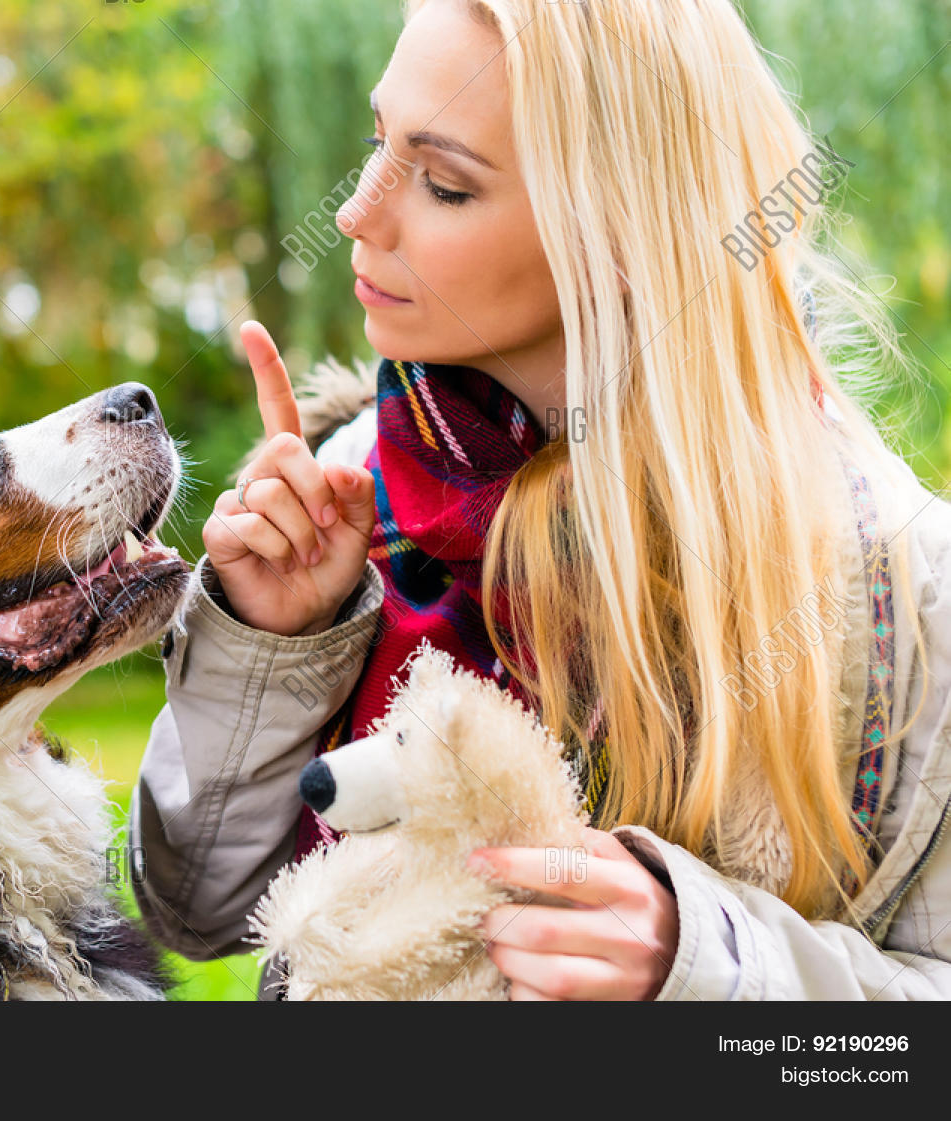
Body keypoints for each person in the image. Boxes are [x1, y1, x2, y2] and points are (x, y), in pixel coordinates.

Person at [128, 0, 951, 1000]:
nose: (356, 210)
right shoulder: (351, 488)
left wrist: (700, 964)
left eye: (442, 183)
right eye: (375, 143)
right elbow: (197, 912)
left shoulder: (898, 589)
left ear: (616, 236)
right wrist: (270, 647)